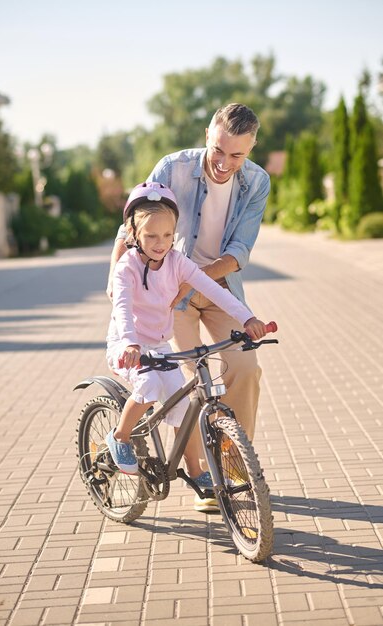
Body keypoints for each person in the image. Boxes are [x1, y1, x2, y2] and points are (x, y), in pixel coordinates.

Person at [107, 103, 270, 510]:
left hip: (215, 284)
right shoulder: (173, 168)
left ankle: (233, 469)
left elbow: (239, 251)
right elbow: (133, 227)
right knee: (188, 378)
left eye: (237, 154)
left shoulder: (257, 182)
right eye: (219, 150)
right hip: (166, 289)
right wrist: (117, 279)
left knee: (245, 367)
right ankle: (202, 474)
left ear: (250, 149)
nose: (224, 162)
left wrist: (247, 317)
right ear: (208, 135)